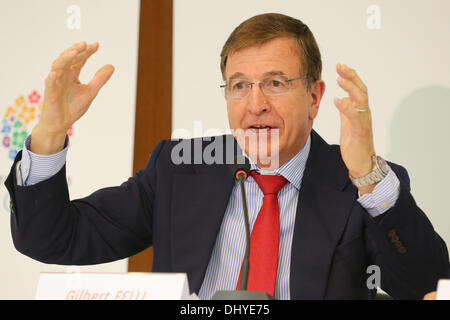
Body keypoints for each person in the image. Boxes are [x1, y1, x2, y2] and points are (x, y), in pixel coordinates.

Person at [5, 13, 449, 300]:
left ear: (315, 97)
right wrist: (48, 134)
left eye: (275, 83)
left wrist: (368, 178)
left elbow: (427, 285)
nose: (254, 104)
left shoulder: (357, 181)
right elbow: (51, 238)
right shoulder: (181, 170)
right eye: (239, 86)